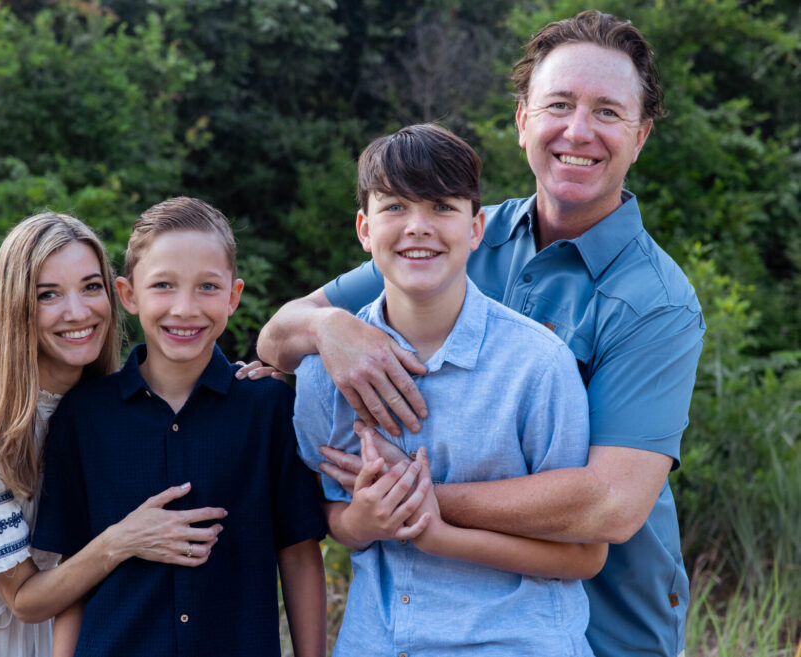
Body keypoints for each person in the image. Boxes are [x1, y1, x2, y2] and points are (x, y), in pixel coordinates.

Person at [258, 10, 705, 657]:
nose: (578, 130)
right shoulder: (453, 238)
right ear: (523, 119)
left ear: (641, 135)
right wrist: (330, 326)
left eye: (608, 111)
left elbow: (609, 505)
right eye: (558, 104)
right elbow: (277, 336)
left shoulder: (654, 303)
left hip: (608, 622)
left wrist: (405, 499)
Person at [0, 212, 262, 657]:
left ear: (115, 294)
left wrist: (231, 383)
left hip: (50, 636)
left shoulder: (104, 411)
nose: (78, 312)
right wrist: (123, 539)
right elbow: (22, 599)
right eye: (48, 295)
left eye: (91, 287)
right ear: (16, 306)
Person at [294, 122, 606, 656]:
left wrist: (437, 532)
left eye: (441, 207)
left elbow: (584, 554)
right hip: (379, 642)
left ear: (476, 228)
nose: (418, 227)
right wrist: (360, 521)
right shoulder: (323, 374)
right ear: (365, 229)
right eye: (395, 207)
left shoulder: (538, 365)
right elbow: (326, 517)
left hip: (517, 642)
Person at [32, 197, 327, 657]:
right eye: (164, 285)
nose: (185, 308)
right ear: (128, 295)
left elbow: (299, 552)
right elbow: (75, 571)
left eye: (207, 287)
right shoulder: (83, 415)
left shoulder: (268, 408)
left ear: (233, 295)